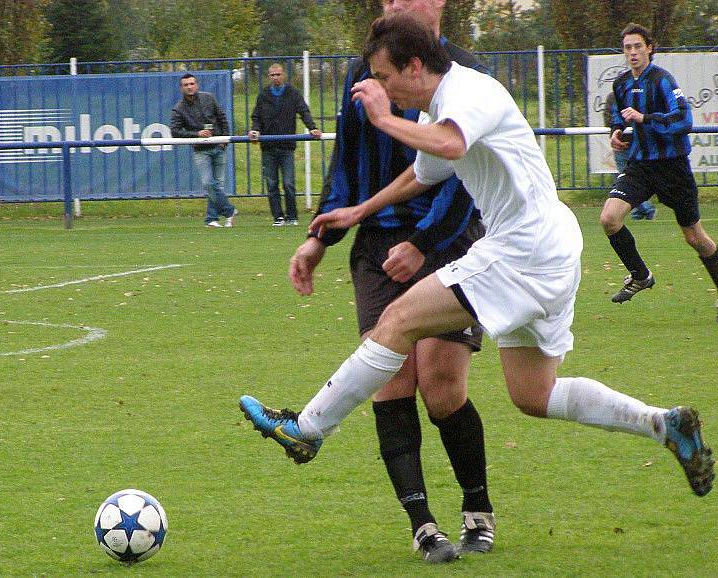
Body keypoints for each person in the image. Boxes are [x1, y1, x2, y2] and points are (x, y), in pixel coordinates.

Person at [238, 12, 715, 552]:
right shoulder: (443, 104)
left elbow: (448, 145)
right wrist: (358, 211)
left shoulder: (471, 91)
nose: (382, 91)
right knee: (534, 394)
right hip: (548, 250)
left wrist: (381, 118)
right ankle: (663, 424)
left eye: (385, 79)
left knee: (394, 322)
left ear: (414, 66)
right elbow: (424, 171)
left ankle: (308, 429)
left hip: (521, 251)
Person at [281, 0, 494, 563]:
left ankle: (478, 508)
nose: (398, 4)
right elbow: (346, 164)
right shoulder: (363, 74)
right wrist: (319, 238)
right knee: (392, 380)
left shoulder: (470, 76)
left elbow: (464, 175)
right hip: (376, 246)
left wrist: (423, 241)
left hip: (450, 243)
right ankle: (424, 525)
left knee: (443, 383)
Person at [602, 23, 718, 321]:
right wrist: (616, 132)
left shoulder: (663, 81)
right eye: (627, 47)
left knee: (694, 238)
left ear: (650, 47)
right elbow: (618, 117)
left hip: (673, 167)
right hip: (641, 166)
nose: (633, 52)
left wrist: (645, 118)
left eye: (638, 46)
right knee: (609, 219)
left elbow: (683, 120)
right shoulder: (622, 84)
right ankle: (640, 275)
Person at [249, 63, 322, 226]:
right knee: (272, 184)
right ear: (269, 77)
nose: (275, 77)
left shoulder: (293, 93)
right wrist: (254, 130)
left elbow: (304, 111)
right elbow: (256, 117)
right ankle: (278, 217)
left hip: (287, 147)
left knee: (288, 183)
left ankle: (292, 216)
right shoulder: (263, 95)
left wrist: (313, 128)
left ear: (284, 75)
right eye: (272, 75)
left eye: (278, 74)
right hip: (268, 147)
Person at [170, 73, 237, 228]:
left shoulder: (209, 98)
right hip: (201, 150)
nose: (189, 87)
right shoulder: (178, 109)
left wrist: (224, 141)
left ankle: (211, 218)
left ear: (197, 85)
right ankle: (229, 211)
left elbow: (222, 118)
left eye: (192, 83)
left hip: (218, 146)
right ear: (181, 88)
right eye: (186, 85)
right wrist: (196, 134)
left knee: (217, 185)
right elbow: (175, 131)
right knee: (208, 183)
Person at [603, 92, 655, 220]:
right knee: (630, 177)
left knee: (626, 178)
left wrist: (617, 129)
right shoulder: (633, 96)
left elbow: (609, 119)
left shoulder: (614, 97)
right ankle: (638, 210)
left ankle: (646, 208)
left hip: (629, 143)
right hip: (625, 143)